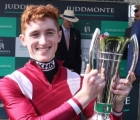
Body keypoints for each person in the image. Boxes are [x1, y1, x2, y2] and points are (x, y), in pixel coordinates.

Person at [0, 4, 135, 120]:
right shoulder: (11, 83)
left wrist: (116, 107)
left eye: (49, 33)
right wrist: (83, 97)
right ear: (23, 40)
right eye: (35, 34)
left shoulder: (77, 80)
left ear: (59, 36)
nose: (43, 41)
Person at [55, 9, 82, 74]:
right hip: (59, 67)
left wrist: (77, 65)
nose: (70, 23)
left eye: (72, 22)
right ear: (63, 19)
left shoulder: (76, 33)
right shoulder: (56, 31)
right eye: (68, 21)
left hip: (74, 68)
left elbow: (78, 51)